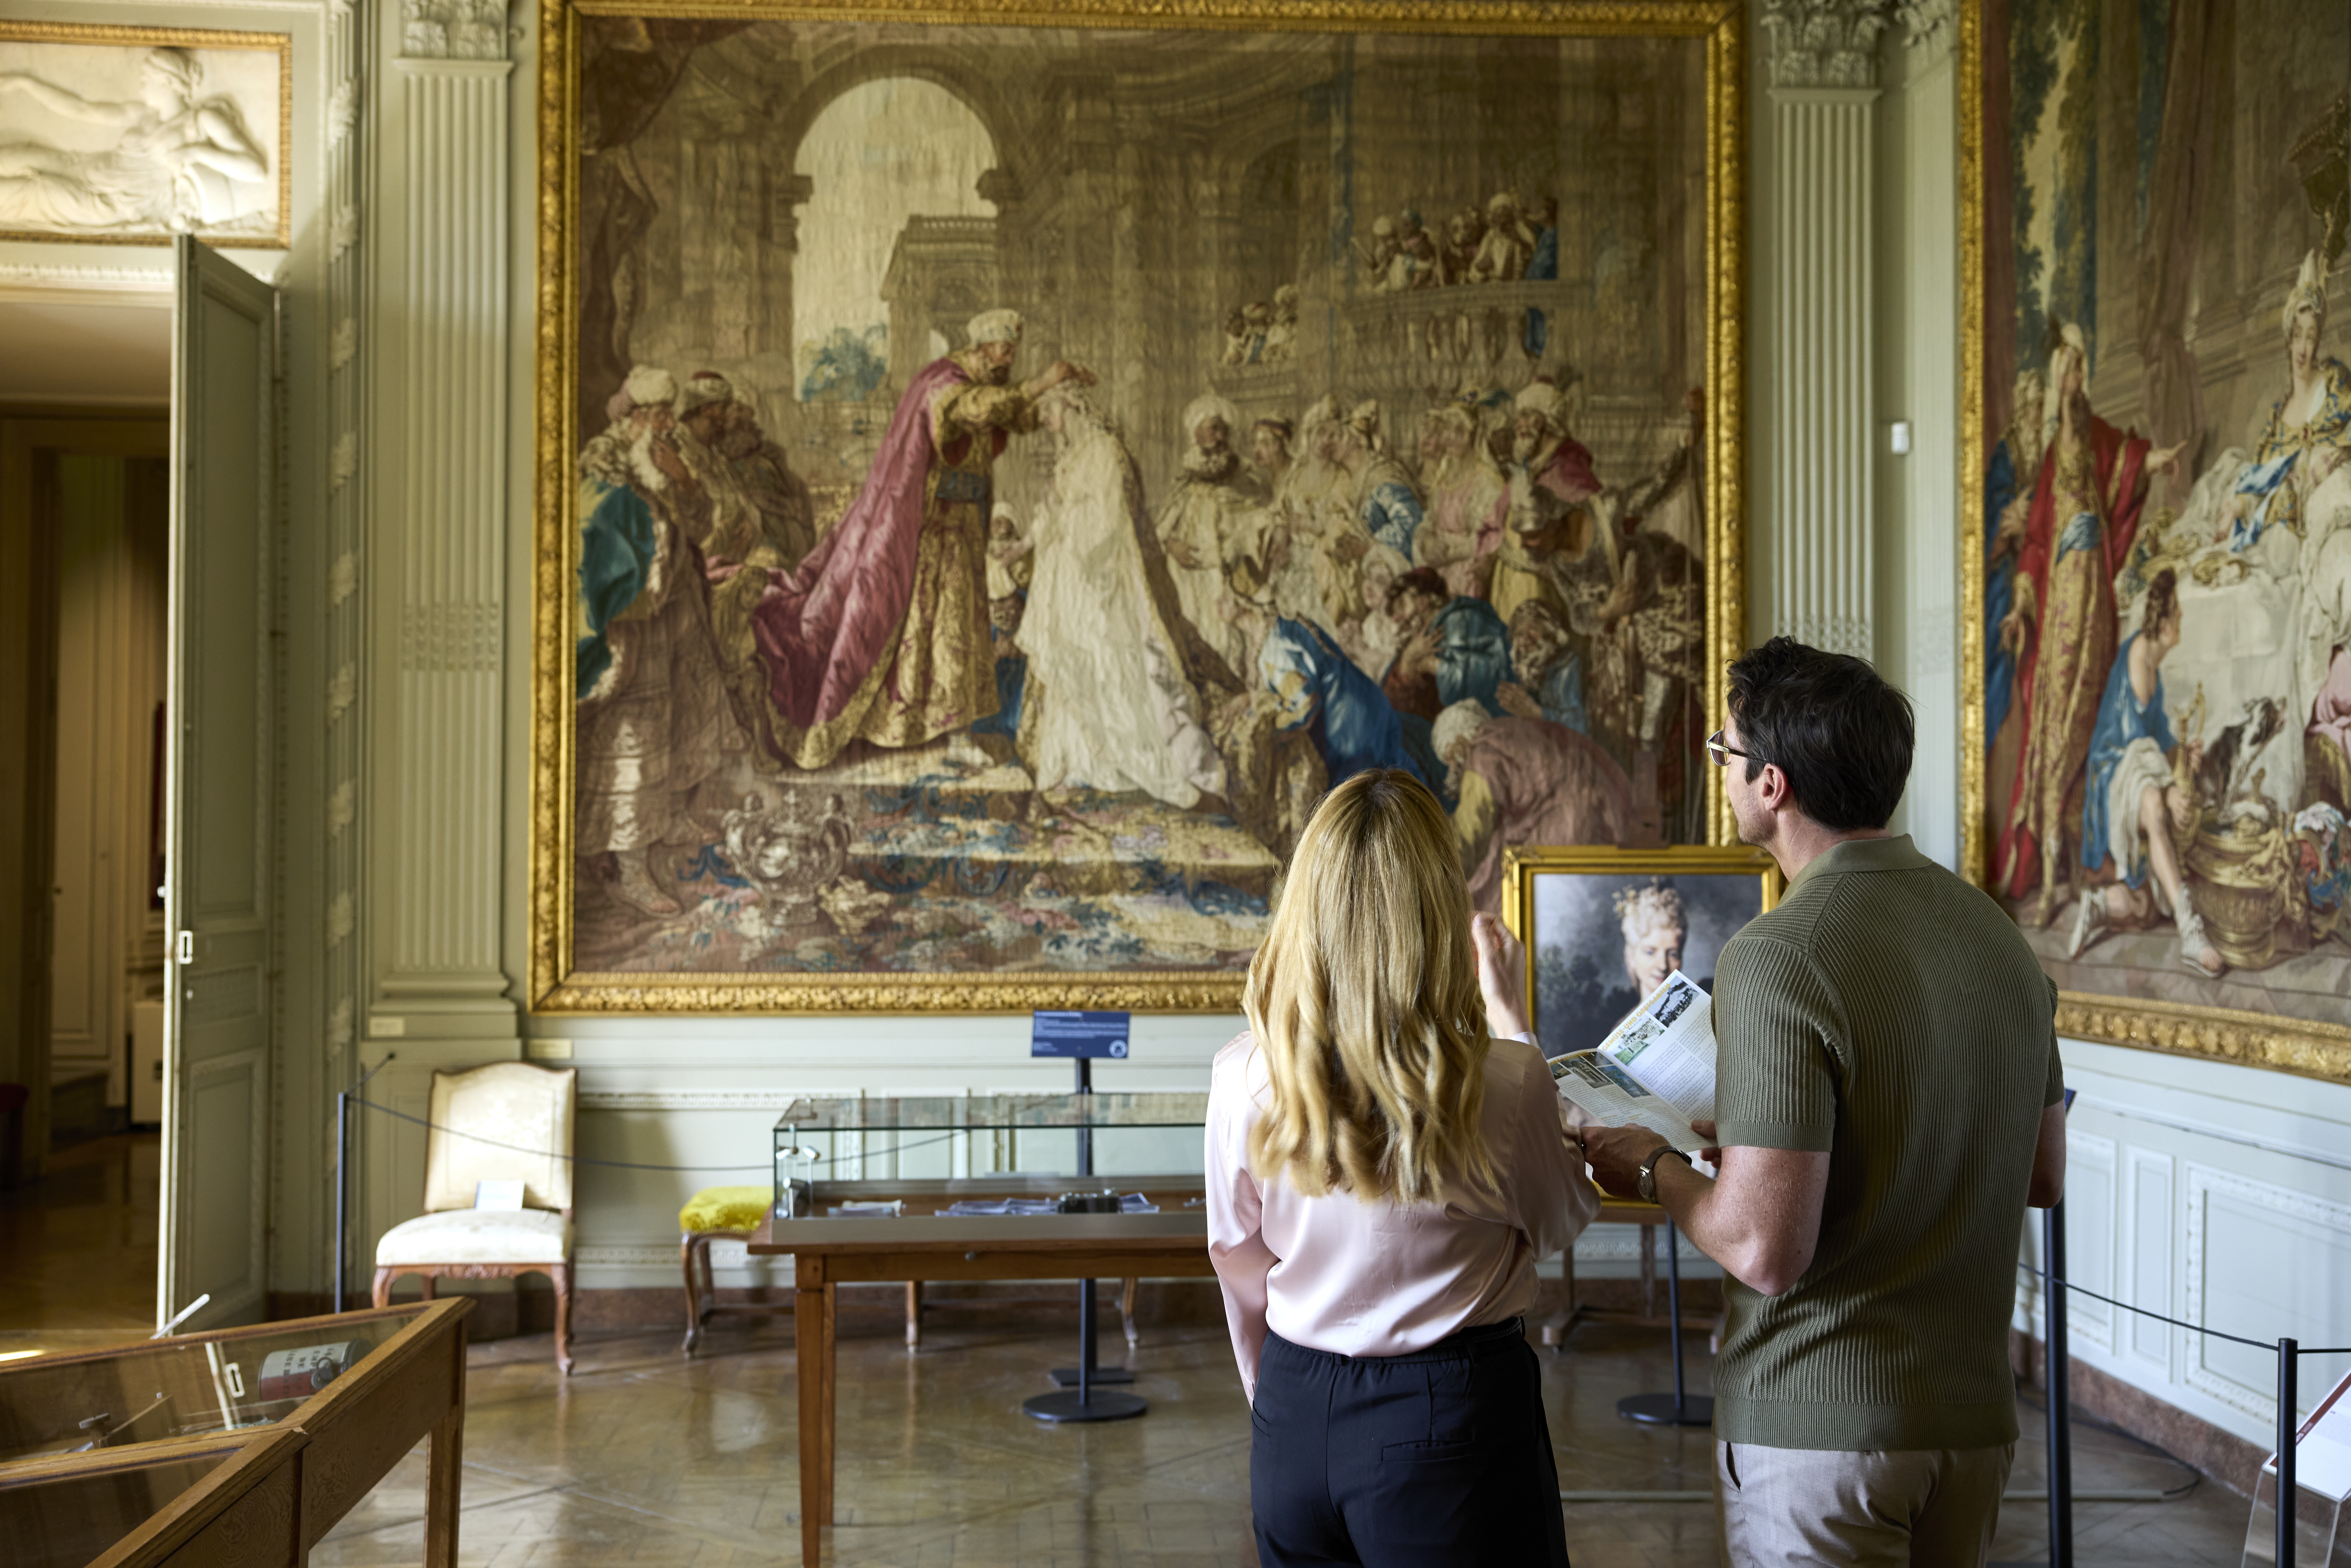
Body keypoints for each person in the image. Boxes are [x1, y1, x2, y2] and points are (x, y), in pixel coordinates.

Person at [1584, 638, 2068, 1568]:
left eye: (1723, 755)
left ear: (1772, 784)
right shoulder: (2001, 940)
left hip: (1821, 1431)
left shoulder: (1777, 955)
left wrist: (1649, 1166)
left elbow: (1765, 1249)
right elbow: (2039, 1174)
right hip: (1971, 1426)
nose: (1717, 772)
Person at [1207, 769, 1597, 1567]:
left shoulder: (1242, 1073)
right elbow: (1563, 1219)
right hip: (1447, 1412)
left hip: (1293, 1410)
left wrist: (1272, 1393)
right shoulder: (1504, 1080)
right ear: (1437, 912)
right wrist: (1510, 1017)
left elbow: (1236, 1257)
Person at [721, 308, 1091, 770]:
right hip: (931, 530)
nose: (1009, 359)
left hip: (964, 527)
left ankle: (948, 730)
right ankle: (932, 731)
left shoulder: (987, 384)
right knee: (934, 630)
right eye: (1004, 350)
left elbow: (1015, 414)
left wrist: (1063, 397)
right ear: (982, 348)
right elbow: (973, 410)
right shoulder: (945, 380)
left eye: (1013, 352)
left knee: (954, 632)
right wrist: (1040, 382)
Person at [1995, 321, 2182, 924]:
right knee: (2052, 735)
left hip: (2094, 606)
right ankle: (2049, 877)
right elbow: (2036, 542)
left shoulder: (2098, 436)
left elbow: (2129, 463)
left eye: (2080, 370)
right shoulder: (2053, 457)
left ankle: (2081, 867)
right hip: (2058, 616)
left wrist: (2158, 459)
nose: (2074, 381)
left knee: (2089, 721)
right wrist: (2022, 607)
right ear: (2056, 383)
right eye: (2066, 372)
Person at [574, 365, 746, 914]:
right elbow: (598, 535)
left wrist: (686, 485)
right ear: (637, 418)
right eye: (662, 416)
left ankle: (667, 815)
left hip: (674, 612)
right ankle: (628, 864)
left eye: (672, 415)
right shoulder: (602, 463)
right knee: (634, 741)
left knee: (677, 717)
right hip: (632, 621)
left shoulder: (662, 457)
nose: (671, 425)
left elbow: (697, 524)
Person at [1017, 387, 1230, 810]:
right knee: (1076, 667)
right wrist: (1027, 541)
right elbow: (1053, 516)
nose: (1042, 417)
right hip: (1070, 583)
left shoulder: (1103, 450)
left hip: (1099, 585)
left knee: (1109, 664)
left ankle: (1122, 763)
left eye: (1048, 408)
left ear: (1071, 404)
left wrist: (1064, 510)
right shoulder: (1074, 454)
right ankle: (1081, 763)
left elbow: (1110, 522)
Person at [2067, 570, 2219, 973]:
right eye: (2179, 616)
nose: (2182, 622)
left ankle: (2101, 905)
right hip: (2112, 775)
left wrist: (2183, 753)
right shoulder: (2137, 659)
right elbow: (2135, 746)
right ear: (2164, 623)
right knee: (2153, 803)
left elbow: (2157, 737)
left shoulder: (2152, 663)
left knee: (2147, 908)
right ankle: (2191, 931)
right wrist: (2170, 790)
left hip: (2133, 770)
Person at [1433, 700, 1644, 911]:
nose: (1453, 768)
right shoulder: (1514, 730)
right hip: (1604, 810)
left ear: (1460, 740)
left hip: (1565, 825)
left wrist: (1435, 871)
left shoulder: (1483, 752)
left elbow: (1471, 832)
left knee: (1494, 900)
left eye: (1450, 757)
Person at [1157, 392, 1264, 672]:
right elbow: (1161, 529)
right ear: (1196, 434)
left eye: (1222, 431)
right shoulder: (1185, 480)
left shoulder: (1243, 477)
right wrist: (1171, 544)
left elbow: (1253, 530)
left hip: (1222, 575)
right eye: (1212, 429)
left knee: (1224, 642)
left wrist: (1220, 556)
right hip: (1185, 579)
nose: (1218, 438)